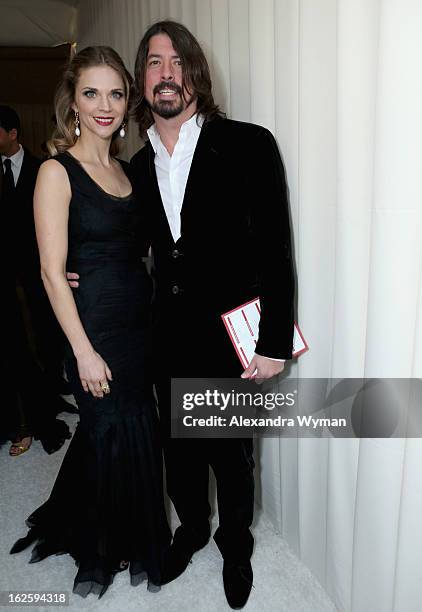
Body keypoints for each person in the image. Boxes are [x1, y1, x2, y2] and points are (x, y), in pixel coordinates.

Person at [130, 21, 295, 610]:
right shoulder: (133, 165)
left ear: (196, 71)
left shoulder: (249, 143)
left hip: (231, 337)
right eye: (153, 62)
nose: (166, 72)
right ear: (141, 79)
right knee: (180, 448)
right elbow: (129, 251)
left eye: (177, 61)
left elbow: (276, 250)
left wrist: (273, 340)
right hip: (166, 337)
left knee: (230, 453)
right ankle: (192, 529)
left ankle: (235, 545)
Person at [10, 46, 171, 598]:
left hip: (137, 321)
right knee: (104, 428)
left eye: (116, 94)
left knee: (138, 424)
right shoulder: (56, 172)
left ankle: (135, 533)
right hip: (93, 328)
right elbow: (52, 275)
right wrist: (81, 350)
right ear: (72, 103)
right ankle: (98, 551)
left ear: (128, 103)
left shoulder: (129, 172)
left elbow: (144, 248)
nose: (105, 105)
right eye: (91, 93)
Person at [1, 105, 73, 456]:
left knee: (46, 340)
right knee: (13, 349)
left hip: (37, 274)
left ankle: (47, 402)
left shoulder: (42, 169)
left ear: (12, 133)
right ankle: (21, 421)